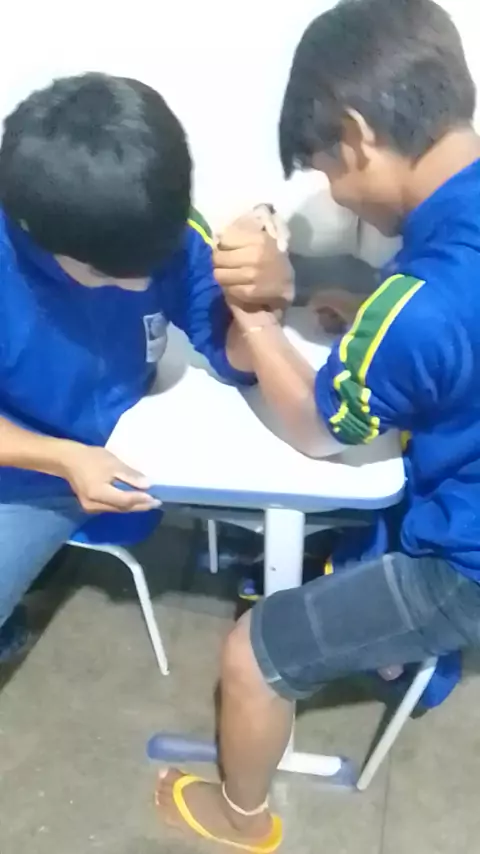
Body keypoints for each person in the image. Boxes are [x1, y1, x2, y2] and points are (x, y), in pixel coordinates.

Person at [155, 0, 480, 850]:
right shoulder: (451, 241)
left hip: (466, 565)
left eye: (328, 170)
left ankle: (241, 818)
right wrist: (308, 287)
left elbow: (315, 430)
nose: (335, 193)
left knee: (252, 653)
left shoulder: (420, 308)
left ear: (358, 135)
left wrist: (253, 316)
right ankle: (398, 649)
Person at [0, 72, 256, 660]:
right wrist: (61, 457)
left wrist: (257, 301)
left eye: (151, 266)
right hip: (29, 458)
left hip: (80, 465)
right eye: (106, 273)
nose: (140, 287)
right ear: (36, 234)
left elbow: (232, 356)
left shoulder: (157, 228)